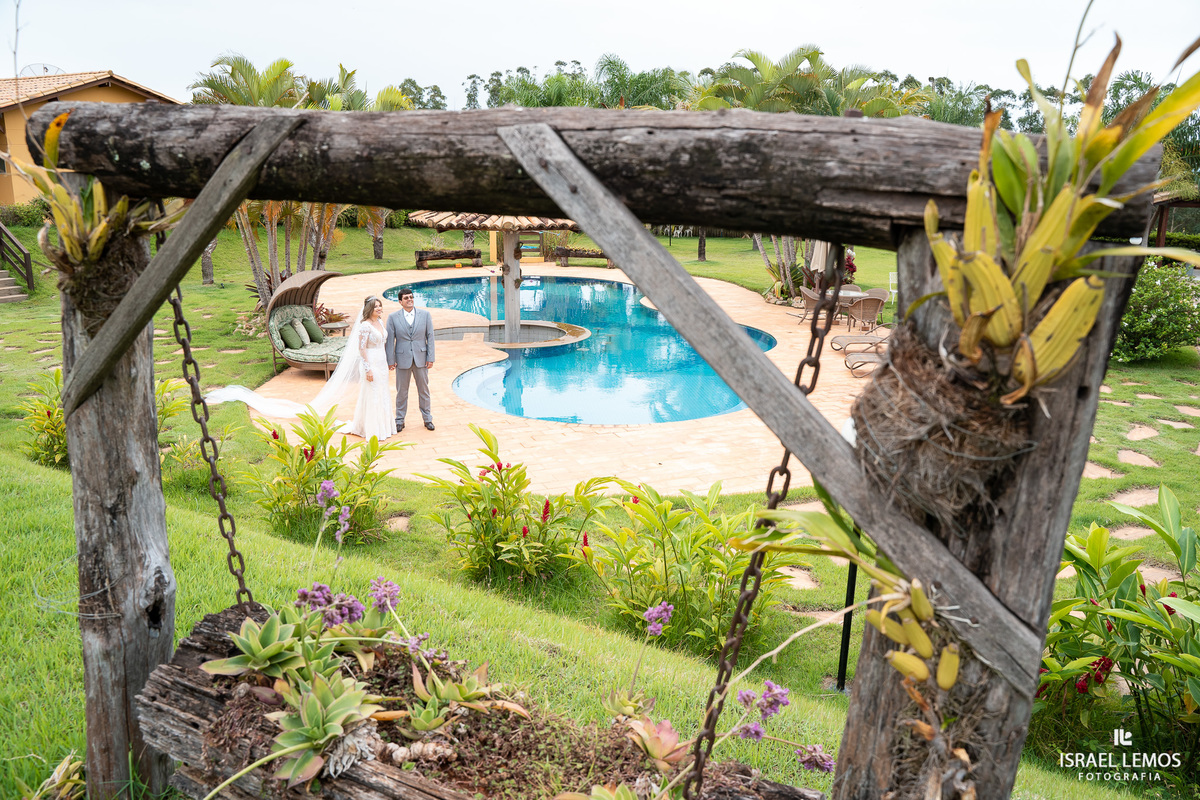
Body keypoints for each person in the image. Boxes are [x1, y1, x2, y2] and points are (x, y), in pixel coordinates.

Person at [204, 295, 397, 440]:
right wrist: (368, 368)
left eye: (381, 306)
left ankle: (383, 426)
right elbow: (361, 349)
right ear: (369, 308)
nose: (380, 309)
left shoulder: (379, 322)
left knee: (382, 393)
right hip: (370, 363)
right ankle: (372, 429)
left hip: (380, 362)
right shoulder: (364, 326)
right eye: (377, 306)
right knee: (371, 393)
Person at [385, 287, 436, 432]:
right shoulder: (393, 317)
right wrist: (390, 359)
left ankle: (428, 419)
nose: (410, 300)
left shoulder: (425, 315)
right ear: (400, 302)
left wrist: (430, 357)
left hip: (421, 358)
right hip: (402, 360)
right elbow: (390, 341)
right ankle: (399, 420)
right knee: (402, 391)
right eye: (406, 298)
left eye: (411, 297)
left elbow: (430, 336)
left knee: (424, 391)